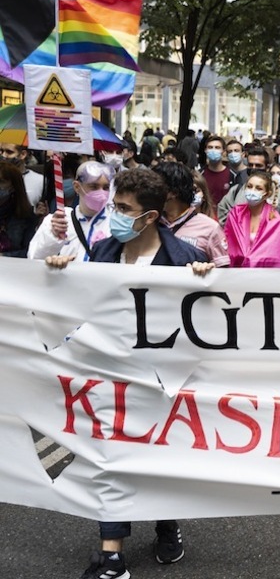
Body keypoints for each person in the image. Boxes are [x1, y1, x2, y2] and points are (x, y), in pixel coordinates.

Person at [44, 167, 214, 579]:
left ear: (151, 216)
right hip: (112, 379)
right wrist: (55, 273)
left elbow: (209, 327)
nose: (114, 214)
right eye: (115, 205)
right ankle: (112, 556)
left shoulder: (185, 260)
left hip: (163, 382)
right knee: (112, 460)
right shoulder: (102, 252)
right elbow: (76, 305)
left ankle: (166, 524)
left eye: (124, 208)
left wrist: (208, 283)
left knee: (160, 457)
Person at [28, 161, 114, 261]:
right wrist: (52, 237)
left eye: (106, 187)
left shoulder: (115, 222)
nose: (101, 192)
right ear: (77, 187)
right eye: (94, 187)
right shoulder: (57, 220)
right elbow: (34, 258)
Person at [223, 169, 280, 268]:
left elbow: (279, 255)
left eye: (258, 188)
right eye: (249, 186)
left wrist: (252, 261)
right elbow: (229, 245)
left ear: (268, 194)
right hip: (237, 272)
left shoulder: (275, 221)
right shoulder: (235, 214)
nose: (252, 191)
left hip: (265, 273)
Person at [153, 162, 229, 267]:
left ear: (173, 192)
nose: (150, 192)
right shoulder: (149, 223)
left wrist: (206, 269)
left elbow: (222, 273)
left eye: (156, 188)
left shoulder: (210, 228)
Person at [0, 161, 38, 257]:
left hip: (13, 268)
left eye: (2, 182)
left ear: (13, 186)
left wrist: (4, 256)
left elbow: (29, 251)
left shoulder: (25, 214)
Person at [202, 135, 236, 207]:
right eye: (210, 147)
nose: (213, 150)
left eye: (217, 148)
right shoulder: (200, 174)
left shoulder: (232, 175)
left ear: (223, 152)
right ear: (205, 150)